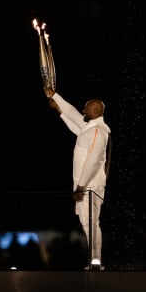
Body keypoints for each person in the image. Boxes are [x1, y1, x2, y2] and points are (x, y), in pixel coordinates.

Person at [44, 87, 112, 269]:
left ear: (96, 111)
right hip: (85, 186)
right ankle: (93, 261)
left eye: (86, 108)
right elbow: (73, 117)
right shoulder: (90, 128)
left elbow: (92, 160)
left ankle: (96, 262)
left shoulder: (98, 131)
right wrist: (56, 101)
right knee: (86, 223)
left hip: (89, 186)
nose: (83, 110)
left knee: (91, 223)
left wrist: (81, 187)